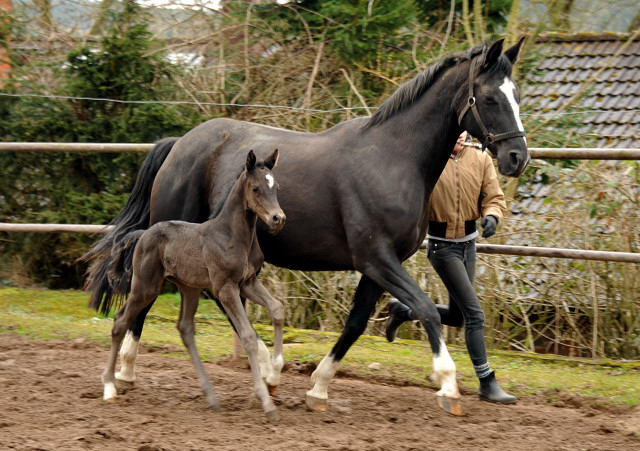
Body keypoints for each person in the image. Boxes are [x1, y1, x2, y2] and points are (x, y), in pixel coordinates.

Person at [386, 131, 516, 404]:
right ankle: (486, 382)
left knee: (458, 317)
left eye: (464, 132)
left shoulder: (481, 159)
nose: (460, 136)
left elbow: (493, 196)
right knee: (475, 315)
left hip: (469, 245)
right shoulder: (429, 160)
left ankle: (404, 311)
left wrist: (492, 216)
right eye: (454, 131)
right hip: (441, 247)